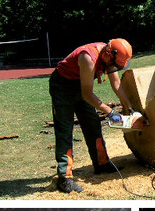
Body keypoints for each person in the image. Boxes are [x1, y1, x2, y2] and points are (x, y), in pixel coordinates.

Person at [48, 38, 133, 193]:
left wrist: (130, 107)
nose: (115, 68)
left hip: (81, 87)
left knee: (93, 125)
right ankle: (64, 178)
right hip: (63, 87)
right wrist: (110, 111)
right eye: (115, 65)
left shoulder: (110, 58)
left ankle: (102, 164)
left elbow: (116, 84)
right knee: (65, 131)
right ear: (109, 56)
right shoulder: (88, 57)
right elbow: (87, 94)